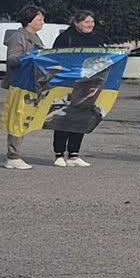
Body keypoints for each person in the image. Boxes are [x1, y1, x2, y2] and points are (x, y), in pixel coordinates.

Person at [45, 10, 102, 166]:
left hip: (87, 84)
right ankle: (59, 154)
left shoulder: (96, 40)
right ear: (76, 23)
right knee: (63, 116)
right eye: (86, 22)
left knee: (81, 116)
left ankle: (74, 154)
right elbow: (55, 59)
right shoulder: (65, 38)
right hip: (66, 84)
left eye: (92, 22)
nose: (90, 25)